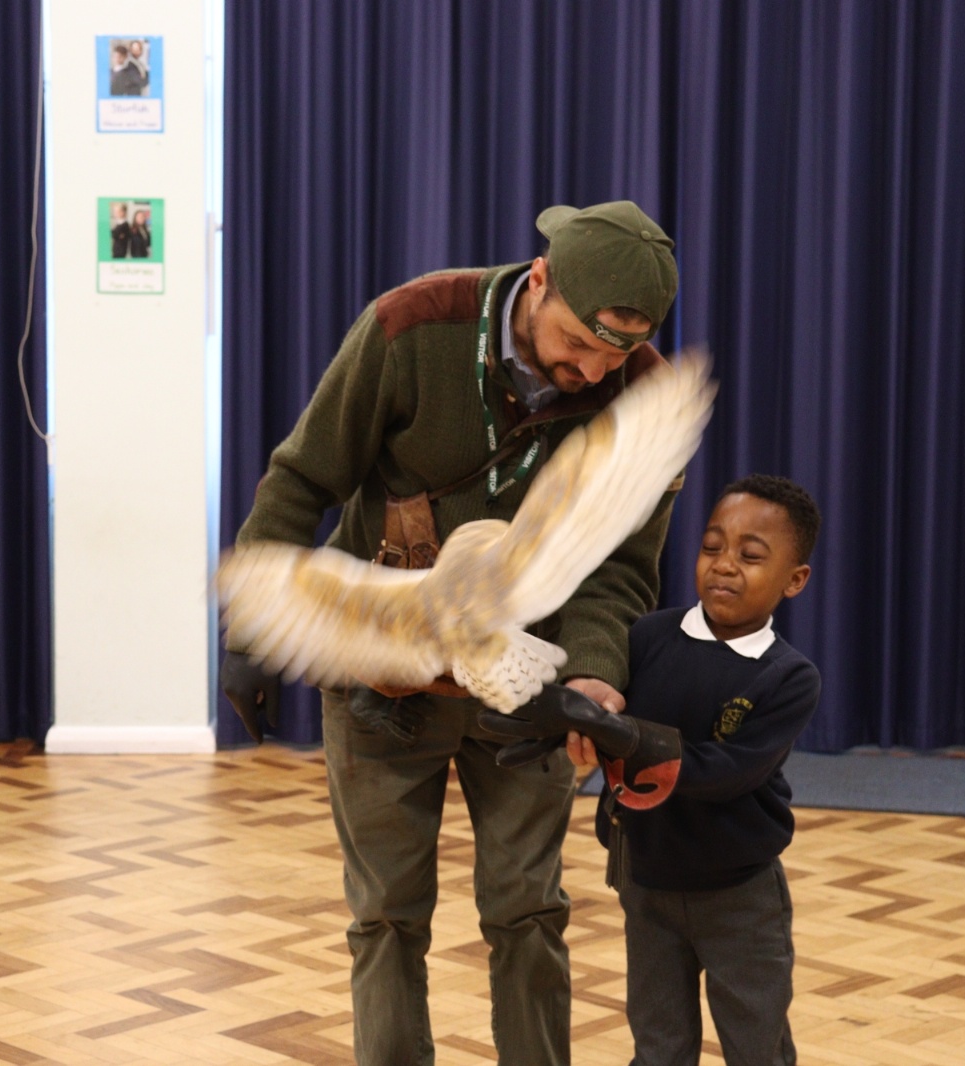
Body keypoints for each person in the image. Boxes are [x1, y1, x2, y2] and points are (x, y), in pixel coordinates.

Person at [222, 200, 683, 1066]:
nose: (591, 370)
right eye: (577, 342)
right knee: (386, 915)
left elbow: (618, 569)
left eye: (616, 354)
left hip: (528, 689)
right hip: (385, 677)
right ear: (539, 280)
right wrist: (249, 634)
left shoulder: (647, 397)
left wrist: (592, 676)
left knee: (528, 912)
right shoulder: (411, 327)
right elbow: (302, 478)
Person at [482, 474, 822, 1066]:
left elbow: (730, 771)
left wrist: (632, 739)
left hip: (738, 894)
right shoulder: (646, 636)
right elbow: (603, 716)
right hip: (647, 881)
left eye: (750, 556)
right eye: (712, 546)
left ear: (795, 580)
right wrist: (564, 725)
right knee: (658, 1042)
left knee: (756, 1044)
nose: (724, 565)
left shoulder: (788, 676)